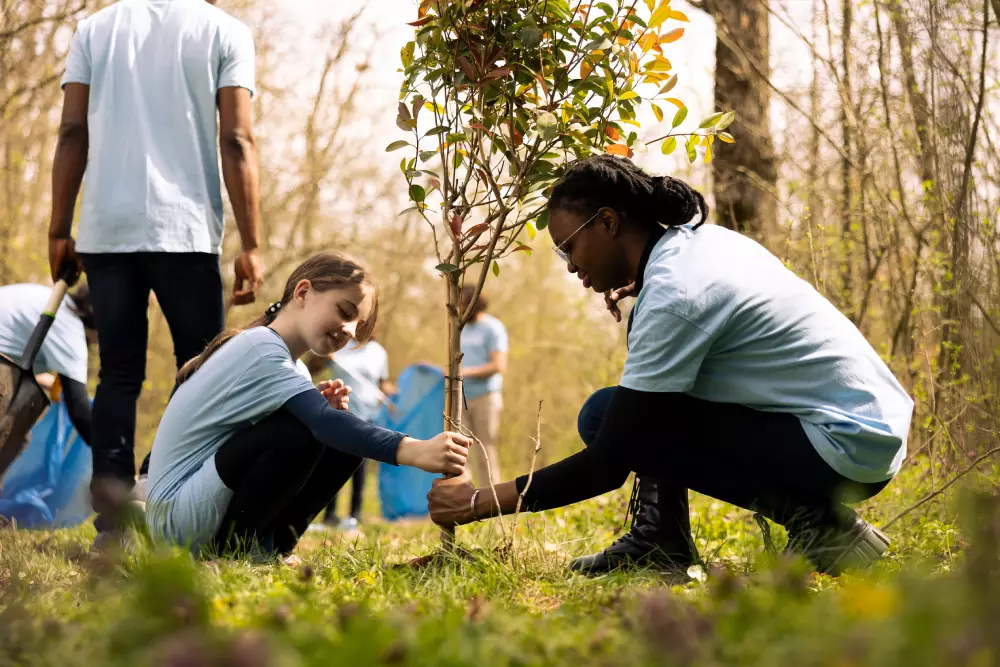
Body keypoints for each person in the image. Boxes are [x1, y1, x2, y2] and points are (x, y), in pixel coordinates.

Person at [428, 155, 914, 577]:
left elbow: (609, 464)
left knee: (605, 418)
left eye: (569, 246)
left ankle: (822, 526)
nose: (571, 265)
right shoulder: (698, 245)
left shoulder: (676, 293)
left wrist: (475, 503)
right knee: (622, 410)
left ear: (608, 222)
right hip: (867, 428)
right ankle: (661, 540)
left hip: (842, 446)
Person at [47, 0, 266, 537]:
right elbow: (236, 139)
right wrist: (252, 241)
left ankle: (116, 524)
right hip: (185, 229)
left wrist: (59, 227)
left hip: (107, 227)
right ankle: (171, 505)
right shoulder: (225, 32)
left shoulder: (93, 30)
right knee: (201, 372)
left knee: (118, 375)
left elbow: (72, 132)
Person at [145, 253, 471, 559]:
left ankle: (270, 550)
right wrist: (413, 450)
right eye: (344, 312)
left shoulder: (292, 365)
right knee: (309, 431)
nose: (349, 331)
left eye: (358, 326)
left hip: (199, 506)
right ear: (302, 293)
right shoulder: (261, 347)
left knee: (340, 441)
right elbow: (319, 424)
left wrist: (313, 410)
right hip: (175, 521)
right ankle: (232, 552)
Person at [309, 337, 396, 531]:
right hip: (341, 412)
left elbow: (382, 384)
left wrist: (397, 396)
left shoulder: (378, 351)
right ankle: (329, 515)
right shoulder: (339, 346)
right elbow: (312, 368)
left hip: (368, 415)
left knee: (359, 468)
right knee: (332, 464)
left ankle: (355, 514)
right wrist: (322, 357)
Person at [0, 282, 96, 445]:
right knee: (12, 437)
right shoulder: (70, 330)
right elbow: (80, 411)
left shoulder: (53, 300)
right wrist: (114, 459)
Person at [459, 286, 509, 486]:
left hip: (486, 397)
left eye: (463, 303)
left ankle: (490, 500)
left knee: (484, 450)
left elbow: (499, 365)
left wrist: (465, 373)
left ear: (474, 303)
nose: (460, 307)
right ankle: (463, 498)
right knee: (460, 451)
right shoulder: (459, 328)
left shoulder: (493, 328)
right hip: (460, 398)